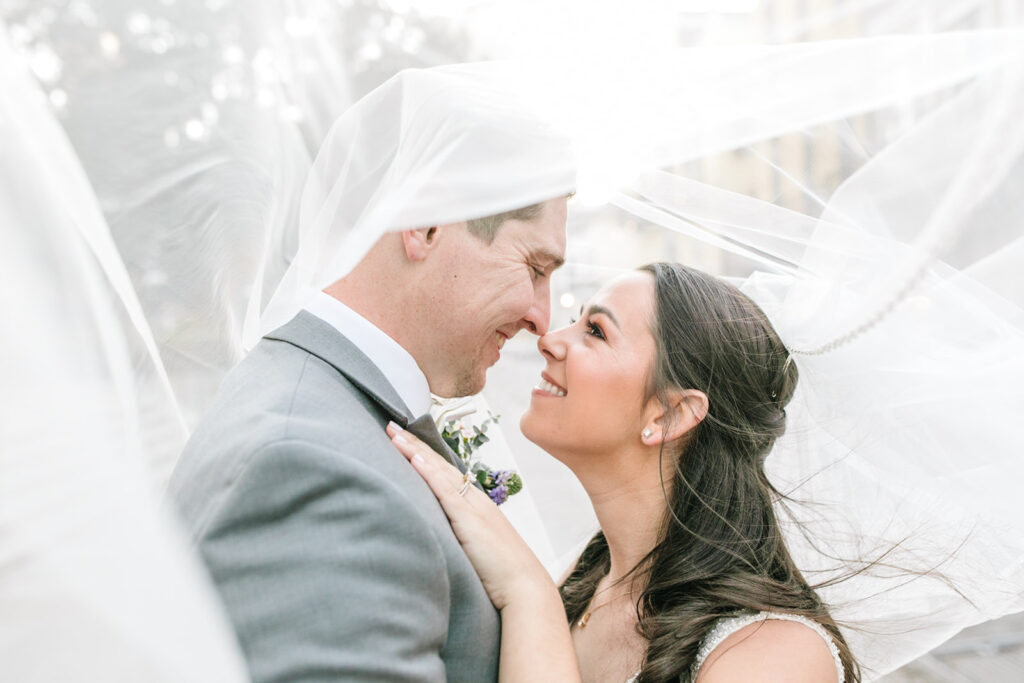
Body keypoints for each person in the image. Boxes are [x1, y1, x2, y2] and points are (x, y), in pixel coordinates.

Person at [166, 65, 573, 682]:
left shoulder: (318, 400)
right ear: (427, 225)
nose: (543, 319)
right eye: (535, 267)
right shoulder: (309, 469)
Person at [388, 262, 859, 682]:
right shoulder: (583, 579)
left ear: (669, 415)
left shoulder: (773, 655)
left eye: (595, 331)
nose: (550, 340)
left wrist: (527, 593)